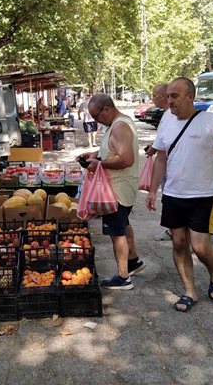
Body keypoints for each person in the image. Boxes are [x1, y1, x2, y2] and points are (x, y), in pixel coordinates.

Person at [145, 77, 213, 313]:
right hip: (173, 194)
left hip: (204, 195)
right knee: (179, 243)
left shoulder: (211, 122)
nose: (169, 100)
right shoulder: (166, 121)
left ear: (190, 96)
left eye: (174, 96)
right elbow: (161, 158)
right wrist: (153, 190)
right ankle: (189, 290)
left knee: (200, 246)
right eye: (168, 96)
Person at [79, 93, 144, 290]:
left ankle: (123, 277)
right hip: (121, 189)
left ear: (107, 109)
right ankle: (133, 262)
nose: (95, 120)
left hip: (115, 191)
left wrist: (99, 164)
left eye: (96, 116)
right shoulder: (116, 124)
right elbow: (113, 150)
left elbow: (126, 159)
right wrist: (95, 155)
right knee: (124, 225)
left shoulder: (119, 126)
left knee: (117, 234)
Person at [145, 83, 177, 241]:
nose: (152, 98)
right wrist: (154, 147)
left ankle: (179, 232)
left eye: (154, 95)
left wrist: (155, 148)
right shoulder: (166, 115)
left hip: (172, 166)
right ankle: (173, 230)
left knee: (171, 197)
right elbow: (163, 139)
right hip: (166, 162)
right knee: (168, 196)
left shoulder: (172, 115)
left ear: (164, 96)